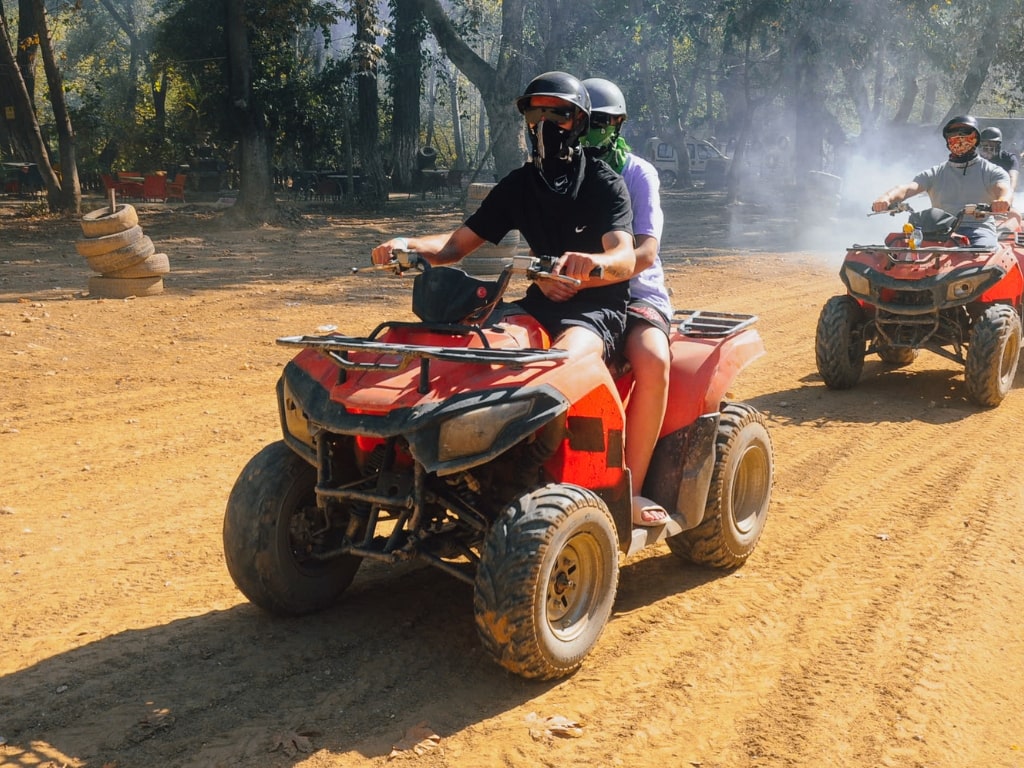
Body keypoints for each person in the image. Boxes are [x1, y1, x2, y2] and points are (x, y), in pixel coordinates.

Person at [372, 70, 636, 371]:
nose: (544, 124)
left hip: (596, 311)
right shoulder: (518, 185)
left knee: (560, 365)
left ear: (579, 121)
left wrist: (591, 263)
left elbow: (625, 258)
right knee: (480, 356)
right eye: (536, 113)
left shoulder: (604, 184)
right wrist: (406, 245)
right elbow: (455, 246)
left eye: (558, 114)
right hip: (538, 304)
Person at [580, 77, 672, 527]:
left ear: (617, 125)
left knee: (653, 359)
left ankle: (629, 491)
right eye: (580, 121)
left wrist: (598, 272)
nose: (587, 131)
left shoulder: (638, 173)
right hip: (576, 291)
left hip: (636, 290)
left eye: (598, 123)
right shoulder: (558, 171)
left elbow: (646, 252)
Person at [871, 115, 1011, 248]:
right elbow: (908, 188)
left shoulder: (992, 171)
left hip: (977, 230)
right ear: (947, 141)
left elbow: (1003, 189)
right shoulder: (936, 173)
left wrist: (1003, 200)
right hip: (938, 231)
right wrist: (886, 198)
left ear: (976, 138)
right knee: (902, 248)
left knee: (984, 252)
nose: (959, 138)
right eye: (953, 134)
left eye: (965, 133)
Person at [979, 126, 1019, 199]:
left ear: (998, 145)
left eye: (992, 144)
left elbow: (1012, 177)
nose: (988, 148)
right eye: (985, 145)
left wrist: (1007, 195)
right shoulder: (976, 159)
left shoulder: (1008, 158)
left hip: (1002, 195)